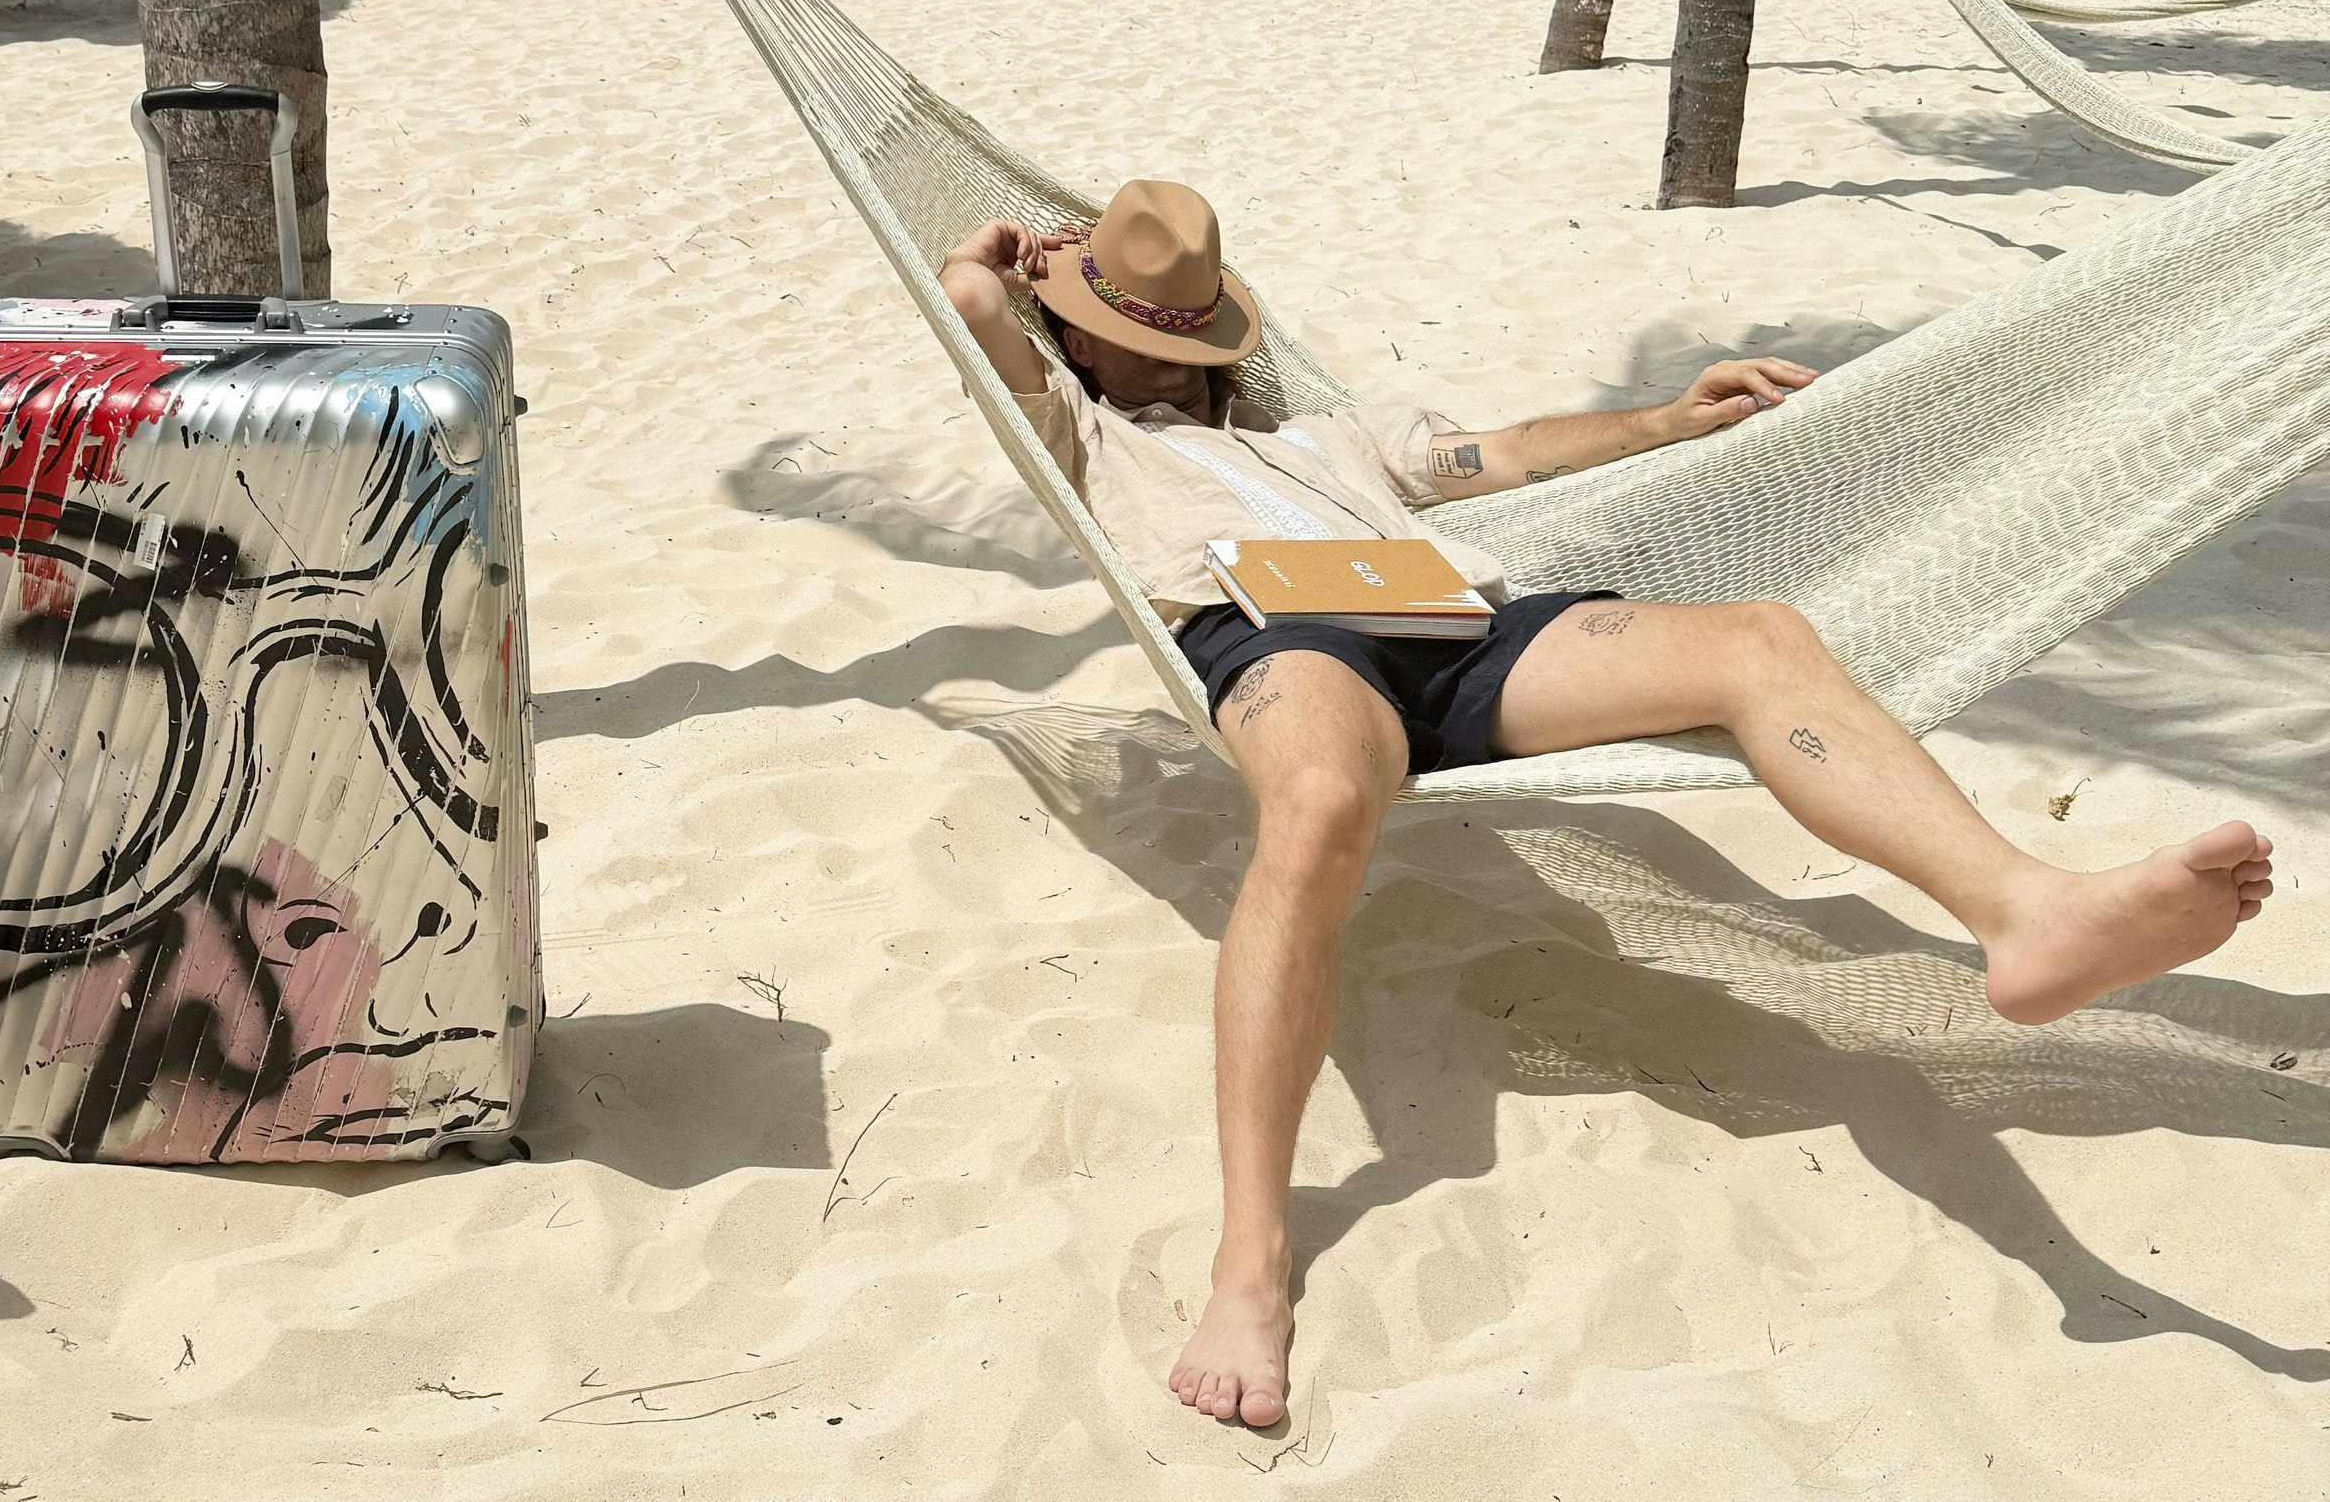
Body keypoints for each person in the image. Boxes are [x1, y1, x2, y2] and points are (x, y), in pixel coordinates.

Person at [937, 179, 2277, 1431]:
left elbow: (1499, 452)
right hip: (1284, 641)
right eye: (1124, 334)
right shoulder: (1078, 432)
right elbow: (968, 298)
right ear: (1076, 337)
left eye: (1175, 340)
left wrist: (1667, 422)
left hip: (1462, 629)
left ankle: (2027, 914)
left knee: (1760, 640)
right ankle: (1251, 1258)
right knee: (1325, 800)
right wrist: (1018, 261)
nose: (1156, 362)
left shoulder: (1329, 437)